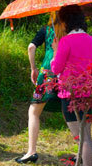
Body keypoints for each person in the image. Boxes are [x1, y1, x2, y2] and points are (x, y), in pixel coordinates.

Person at [51, 5, 92, 166]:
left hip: (70, 95)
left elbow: (56, 68)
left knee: (80, 138)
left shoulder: (66, 41)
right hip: (88, 92)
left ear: (66, 22)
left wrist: (55, 52)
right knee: (86, 137)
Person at [15, 12, 62, 163]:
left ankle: (31, 152)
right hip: (67, 73)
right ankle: (81, 149)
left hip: (47, 73)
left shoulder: (46, 30)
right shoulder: (70, 30)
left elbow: (31, 47)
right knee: (72, 111)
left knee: (34, 111)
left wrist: (33, 68)